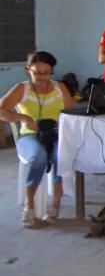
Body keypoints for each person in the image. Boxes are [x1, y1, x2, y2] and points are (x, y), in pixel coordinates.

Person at [0, 51, 75, 227]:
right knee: (38, 155)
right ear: (28, 70)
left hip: (56, 135)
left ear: (52, 72)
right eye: (36, 72)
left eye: (46, 73)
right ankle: (29, 206)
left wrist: (63, 123)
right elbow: (2, 111)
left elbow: (72, 112)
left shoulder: (59, 88)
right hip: (29, 136)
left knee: (61, 156)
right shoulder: (21, 88)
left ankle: (55, 205)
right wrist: (23, 118)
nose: (41, 77)